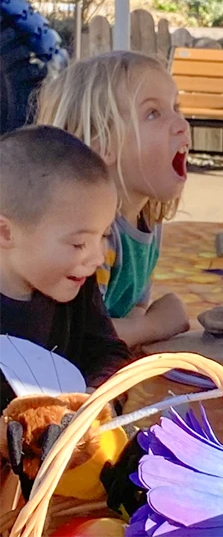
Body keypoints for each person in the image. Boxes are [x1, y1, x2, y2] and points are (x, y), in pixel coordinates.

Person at [37, 51, 191, 348]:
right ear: (103, 143)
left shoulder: (145, 219)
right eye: (153, 113)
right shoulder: (92, 236)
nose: (182, 123)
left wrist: (140, 322)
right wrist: (156, 325)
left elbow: (130, 310)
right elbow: (81, 337)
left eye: (176, 107)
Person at [0, 126, 131, 411]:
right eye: (79, 243)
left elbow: (108, 351)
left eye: (104, 235)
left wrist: (96, 399)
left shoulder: (78, 283)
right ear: (5, 233)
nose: (98, 257)